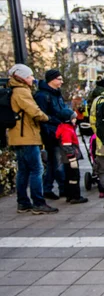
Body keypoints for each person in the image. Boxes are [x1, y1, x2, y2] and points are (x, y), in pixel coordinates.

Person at [7, 64, 57, 215]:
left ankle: (23, 203)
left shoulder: (16, 90)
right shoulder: (21, 91)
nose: (33, 79)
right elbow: (33, 111)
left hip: (19, 136)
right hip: (27, 136)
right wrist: (47, 117)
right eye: (29, 76)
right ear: (21, 77)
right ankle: (38, 203)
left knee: (23, 170)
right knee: (37, 169)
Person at [34, 69, 68, 200]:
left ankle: (48, 188)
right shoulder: (42, 96)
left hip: (59, 130)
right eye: (59, 79)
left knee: (54, 161)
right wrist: (55, 122)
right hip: (51, 132)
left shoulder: (56, 94)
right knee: (57, 160)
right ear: (51, 80)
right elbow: (42, 116)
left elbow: (61, 110)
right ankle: (61, 188)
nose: (61, 81)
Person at [55, 109, 88, 204]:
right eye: (73, 118)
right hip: (70, 158)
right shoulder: (67, 130)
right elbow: (67, 145)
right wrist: (72, 157)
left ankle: (69, 195)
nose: (75, 119)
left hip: (66, 159)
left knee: (68, 176)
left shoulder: (63, 127)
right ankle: (75, 196)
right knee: (74, 176)